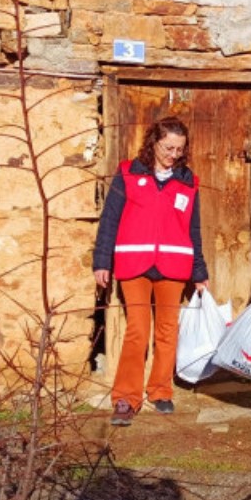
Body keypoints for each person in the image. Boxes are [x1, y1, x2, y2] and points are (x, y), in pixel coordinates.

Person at [94, 116, 210, 427]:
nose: (174, 154)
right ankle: (125, 398)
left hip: (174, 266)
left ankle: (160, 390)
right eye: (168, 147)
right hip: (134, 264)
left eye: (179, 149)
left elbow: (193, 229)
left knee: (167, 331)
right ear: (153, 143)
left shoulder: (188, 181)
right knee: (137, 331)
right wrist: (102, 261)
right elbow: (110, 220)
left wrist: (199, 271)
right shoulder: (128, 174)